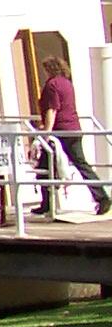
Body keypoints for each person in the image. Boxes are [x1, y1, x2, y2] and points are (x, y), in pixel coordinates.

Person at [36, 55, 112, 216]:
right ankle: (47, 202)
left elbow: (52, 109)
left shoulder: (52, 85)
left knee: (45, 166)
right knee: (78, 164)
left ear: (50, 69)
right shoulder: (67, 83)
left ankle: (101, 197)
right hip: (74, 128)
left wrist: (46, 132)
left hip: (60, 131)